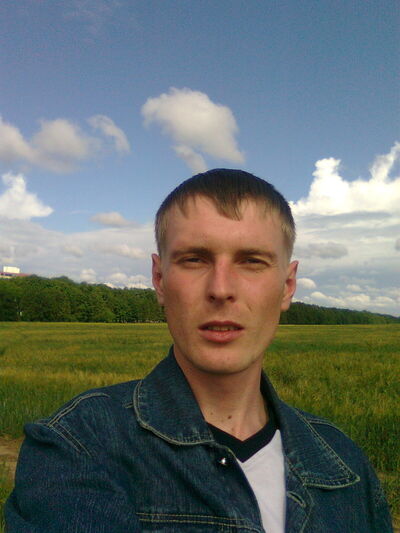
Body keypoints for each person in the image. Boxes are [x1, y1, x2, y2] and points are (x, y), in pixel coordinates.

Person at [5, 169, 392, 532]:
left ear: (287, 286)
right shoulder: (79, 445)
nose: (221, 289)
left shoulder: (345, 463)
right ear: (160, 279)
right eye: (194, 260)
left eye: (251, 261)